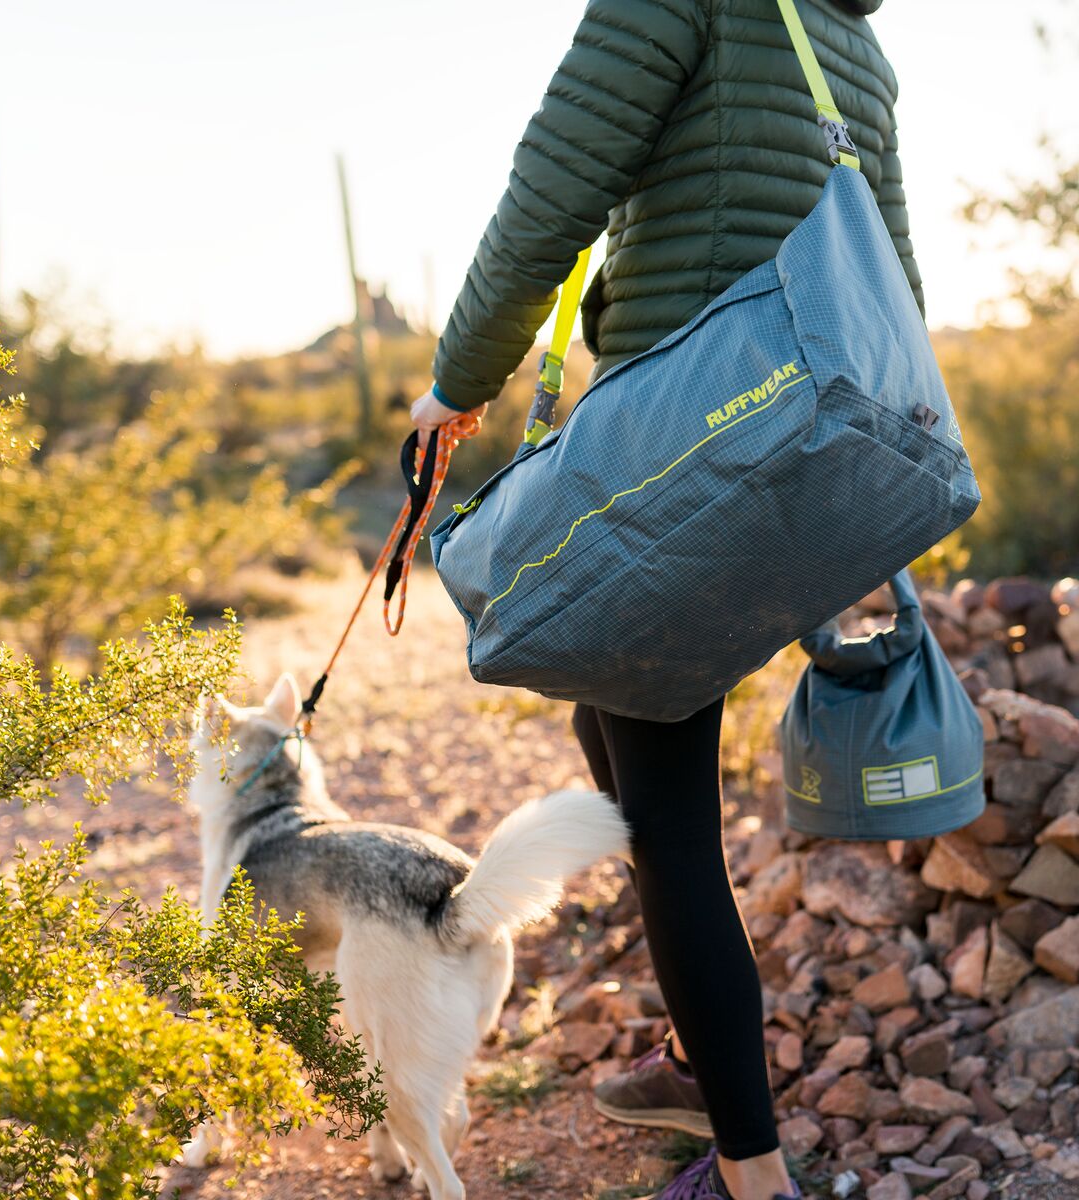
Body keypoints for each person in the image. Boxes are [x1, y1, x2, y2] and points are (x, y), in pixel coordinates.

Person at [411, 3, 921, 1198]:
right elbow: (890, 276)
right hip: (791, 449)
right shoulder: (856, 47)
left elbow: (551, 195)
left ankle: (750, 1170)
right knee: (618, 735)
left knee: (671, 816)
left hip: (679, 455)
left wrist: (456, 383)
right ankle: (702, 1052)